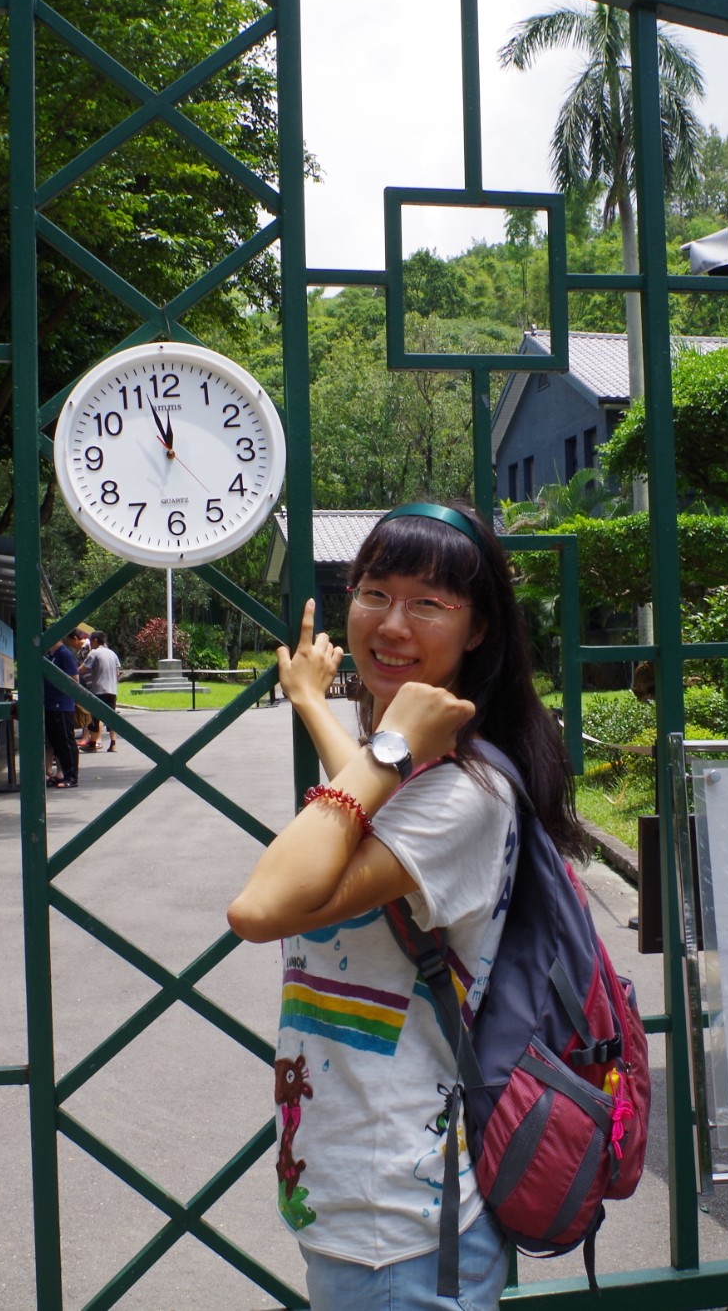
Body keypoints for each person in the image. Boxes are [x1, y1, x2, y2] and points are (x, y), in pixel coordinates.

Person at [227, 501, 588, 1311]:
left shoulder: (464, 792)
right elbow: (369, 813)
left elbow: (261, 906)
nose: (392, 624)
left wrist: (389, 744)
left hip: (398, 1225)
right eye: (374, 593)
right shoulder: (419, 776)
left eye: (428, 603)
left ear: (478, 629)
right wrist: (316, 704)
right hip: (368, 1199)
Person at [45, 629, 81, 789]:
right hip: (51, 704)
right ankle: (61, 774)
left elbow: (74, 678)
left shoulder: (64, 654)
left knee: (66, 742)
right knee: (57, 743)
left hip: (62, 705)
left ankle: (71, 776)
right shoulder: (51, 655)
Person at [81, 631, 120, 752]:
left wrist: (71, 672)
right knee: (111, 718)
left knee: (95, 717)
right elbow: (117, 673)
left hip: (98, 690)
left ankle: (93, 744)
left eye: (91, 641)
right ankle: (113, 744)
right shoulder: (112, 654)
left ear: (96, 640)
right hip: (112, 690)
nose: (90, 644)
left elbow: (83, 669)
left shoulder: (94, 653)